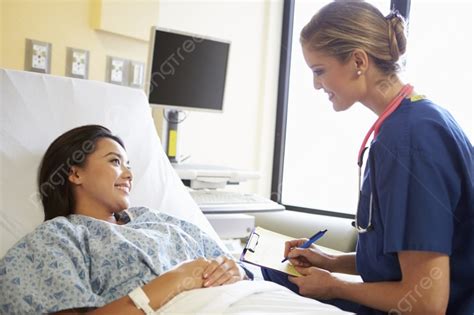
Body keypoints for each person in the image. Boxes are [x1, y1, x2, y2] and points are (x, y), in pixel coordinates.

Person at [262, 2, 474, 314]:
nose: (316, 85)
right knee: (269, 274)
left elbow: (427, 302)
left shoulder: (409, 140)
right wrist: (331, 261)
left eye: (319, 71)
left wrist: (334, 284)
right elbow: (399, 263)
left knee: (265, 281)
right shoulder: (415, 119)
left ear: (359, 60)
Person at [0, 125, 251, 314]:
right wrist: (177, 280)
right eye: (115, 162)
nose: (129, 174)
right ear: (75, 173)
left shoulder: (155, 219)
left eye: (128, 165)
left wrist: (234, 269)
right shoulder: (55, 239)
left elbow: (229, 265)